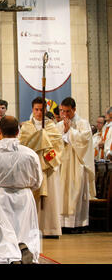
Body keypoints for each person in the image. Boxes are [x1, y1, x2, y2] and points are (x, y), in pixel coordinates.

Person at [0, 116, 43, 264]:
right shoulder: (30, 154)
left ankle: (7, 256)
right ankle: (23, 251)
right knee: (23, 229)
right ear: (18, 131)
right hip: (24, 197)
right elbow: (38, 181)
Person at [18, 97, 64, 238]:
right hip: (32, 167)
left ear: (46, 110)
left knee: (50, 198)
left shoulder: (51, 127)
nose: (38, 112)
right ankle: (33, 229)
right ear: (32, 109)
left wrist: (44, 144)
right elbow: (22, 144)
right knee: (33, 198)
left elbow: (58, 146)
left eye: (41, 109)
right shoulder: (26, 127)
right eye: (36, 109)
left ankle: (51, 229)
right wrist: (38, 140)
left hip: (47, 165)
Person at [56, 97, 95, 233]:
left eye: (67, 111)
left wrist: (69, 132)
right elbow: (55, 143)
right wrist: (64, 131)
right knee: (62, 193)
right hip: (63, 164)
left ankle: (78, 224)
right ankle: (63, 224)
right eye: (62, 111)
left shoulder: (83, 123)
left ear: (74, 109)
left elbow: (84, 140)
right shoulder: (59, 125)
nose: (65, 115)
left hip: (78, 164)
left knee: (76, 192)